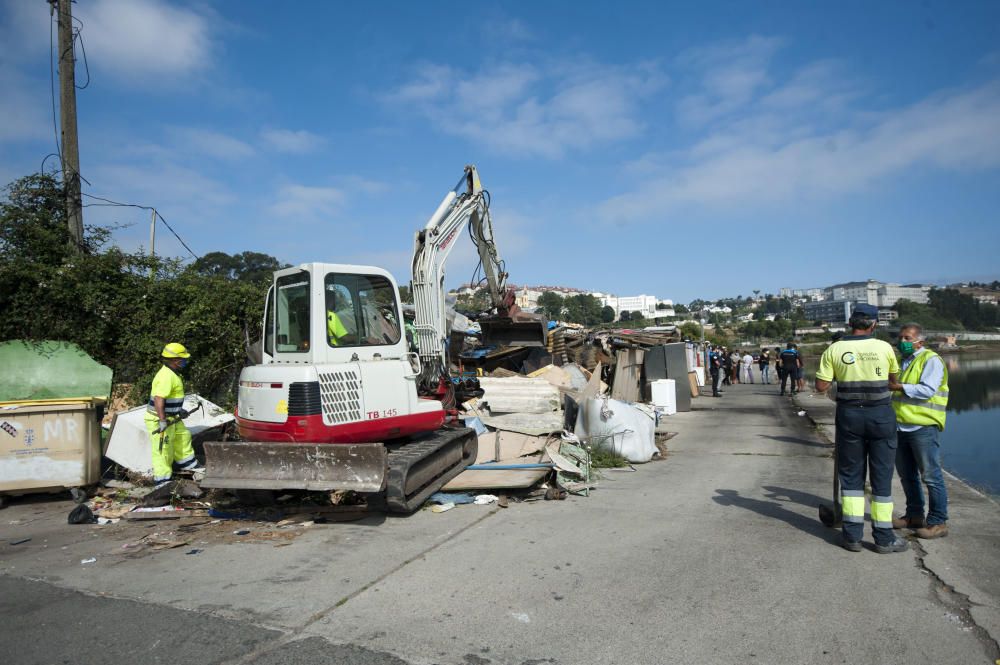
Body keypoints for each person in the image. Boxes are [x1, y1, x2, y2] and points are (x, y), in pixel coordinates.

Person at [815, 304, 906, 553]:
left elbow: (821, 386)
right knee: (882, 478)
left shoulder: (835, 349)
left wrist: (840, 381)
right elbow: (893, 381)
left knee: (852, 477)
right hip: (881, 417)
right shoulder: (885, 347)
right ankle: (884, 538)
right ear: (874, 324)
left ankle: (852, 536)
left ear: (850, 323)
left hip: (849, 416)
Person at [889, 323, 950, 539]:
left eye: (907, 338)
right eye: (900, 337)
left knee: (931, 476)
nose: (902, 342)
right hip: (900, 426)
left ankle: (938, 521)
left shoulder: (931, 360)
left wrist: (898, 387)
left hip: (923, 426)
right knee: (907, 476)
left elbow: (927, 390)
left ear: (919, 342)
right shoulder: (903, 361)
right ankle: (914, 515)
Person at [144, 343, 201, 486]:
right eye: (183, 359)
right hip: (160, 420)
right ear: (176, 360)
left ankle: (191, 468)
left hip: (172, 418)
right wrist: (162, 420)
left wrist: (178, 411)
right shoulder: (166, 376)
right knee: (163, 451)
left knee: (183, 437)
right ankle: (163, 482)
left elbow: (170, 398)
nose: (185, 361)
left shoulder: (171, 374)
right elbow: (159, 399)